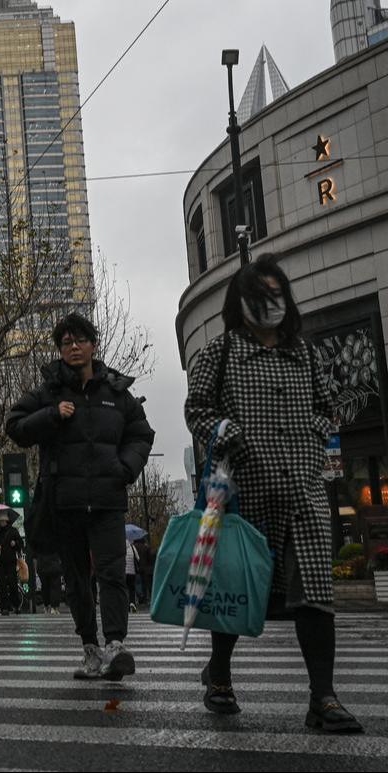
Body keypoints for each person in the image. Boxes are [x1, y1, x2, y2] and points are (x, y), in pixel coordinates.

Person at [184, 254, 362, 733]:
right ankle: (219, 674)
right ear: (240, 304)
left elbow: (329, 408)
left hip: (303, 492)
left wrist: (313, 434)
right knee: (236, 589)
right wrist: (225, 431)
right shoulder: (220, 354)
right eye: (258, 297)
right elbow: (196, 410)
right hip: (245, 493)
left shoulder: (305, 354)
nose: (269, 305)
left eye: (276, 294)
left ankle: (323, 697)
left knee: (314, 595)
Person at [7, 312, 155, 681]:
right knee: (76, 581)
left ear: (93, 344)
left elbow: (141, 434)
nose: (74, 347)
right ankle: (90, 648)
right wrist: (51, 415)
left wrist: (125, 469)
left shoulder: (116, 391)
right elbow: (15, 426)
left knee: (111, 574)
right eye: (66, 342)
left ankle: (116, 645)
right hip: (65, 501)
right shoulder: (49, 390)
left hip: (107, 499)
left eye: (80, 340)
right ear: (60, 349)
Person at [0, 512, 24, 615]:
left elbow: (21, 543)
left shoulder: (13, 531)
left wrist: (15, 544)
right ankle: (4, 607)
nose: (0, 523)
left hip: (11, 561)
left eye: (2, 521)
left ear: (6, 520)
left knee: (13, 584)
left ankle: (16, 605)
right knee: (1, 585)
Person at [124, 538, 140, 612]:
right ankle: (132, 602)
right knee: (132, 588)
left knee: (124, 589)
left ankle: (126, 605)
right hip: (132, 572)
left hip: (123, 572)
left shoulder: (121, 546)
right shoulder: (132, 547)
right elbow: (138, 558)